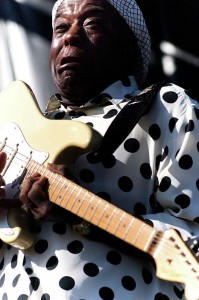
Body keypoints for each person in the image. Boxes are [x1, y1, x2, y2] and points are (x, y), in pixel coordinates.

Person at [0, 0, 199, 299]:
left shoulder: (166, 107)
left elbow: (193, 231)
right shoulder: (21, 127)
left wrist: (83, 216)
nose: (70, 36)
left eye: (91, 24)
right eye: (60, 28)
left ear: (129, 45)